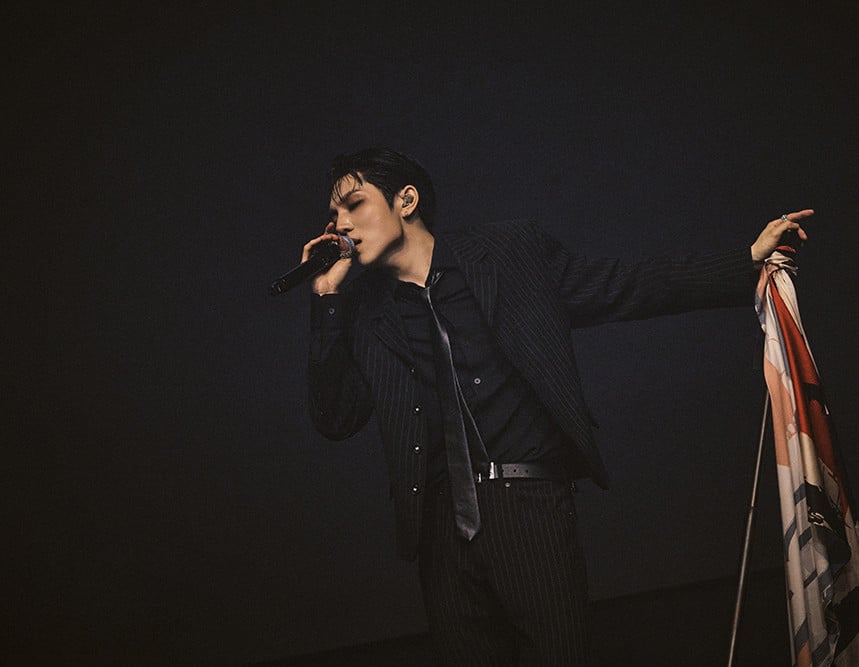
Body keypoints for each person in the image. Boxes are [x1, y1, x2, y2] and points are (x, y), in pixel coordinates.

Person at [302, 147, 811, 665]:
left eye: (354, 204)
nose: (340, 224)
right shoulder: (362, 312)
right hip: (437, 531)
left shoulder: (508, 253)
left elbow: (621, 285)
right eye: (335, 213)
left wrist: (745, 260)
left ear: (405, 200)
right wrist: (325, 299)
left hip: (530, 508)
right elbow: (336, 417)